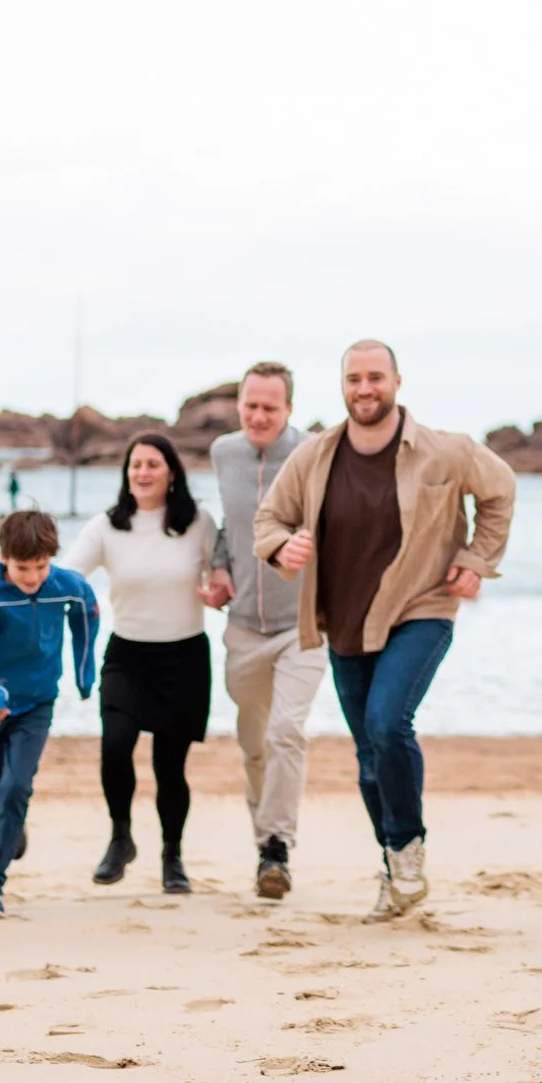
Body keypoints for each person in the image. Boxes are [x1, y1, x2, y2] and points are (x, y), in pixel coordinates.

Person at [255, 340, 516, 920]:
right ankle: (396, 867)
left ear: (397, 381)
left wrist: (476, 560)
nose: (364, 388)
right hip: (344, 620)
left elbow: (500, 491)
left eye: (375, 377)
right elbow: (269, 518)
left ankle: (406, 851)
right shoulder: (315, 456)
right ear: (342, 386)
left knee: (387, 722)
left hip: (423, 606)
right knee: (369, 755)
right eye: (354, 379)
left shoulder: (446, 450)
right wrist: (281, 546)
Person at [64, 432, 225, 895]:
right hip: (127, 656)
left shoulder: (197, 522)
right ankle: (120, 837)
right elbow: (69, 575)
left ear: (171, 472)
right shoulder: (107, 526)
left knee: (169, 767)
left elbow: (222, 578)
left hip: (184, 656)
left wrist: (218, 594)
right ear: (126, 472)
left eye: (153, 464)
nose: (143, 472)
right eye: (135, 464)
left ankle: (172, 858)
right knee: (115, 746)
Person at [0, 509, 99, 918]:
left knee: (16, 789)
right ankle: (11, 826)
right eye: (22, 568)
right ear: (3, 558)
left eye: (41, 567)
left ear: (52, 558)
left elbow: (88, 612)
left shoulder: (66, 586)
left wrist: (85, 673)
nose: (32, 577)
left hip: (37, 705)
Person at [209, 360, 324, 900]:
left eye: (269, 408)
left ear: (289, 410)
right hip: (242, 628)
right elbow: (229, 525)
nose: (258, 416)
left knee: (287, 732)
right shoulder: (223, 452)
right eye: (250, 406)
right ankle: (265, 849)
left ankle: (278, 845)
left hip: (303, 625)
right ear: (239, 404)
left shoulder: (314, 453)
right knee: (254, 745)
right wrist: (216, 566)